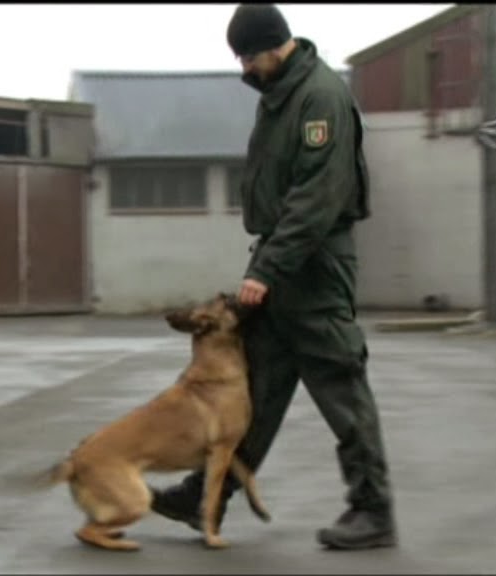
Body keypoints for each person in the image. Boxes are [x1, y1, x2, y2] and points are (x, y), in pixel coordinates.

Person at [149, 4, 398, 550]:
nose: (244, 68)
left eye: (247, 57)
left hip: (314, 267)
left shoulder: (319, 97)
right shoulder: (282, 93)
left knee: (341, 389)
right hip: (283, 261)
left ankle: (373, 510)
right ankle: (206, 496)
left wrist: (267, 268)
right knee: (254, 392)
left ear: (271, 45)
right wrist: (269, 264)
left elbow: (317, 197)